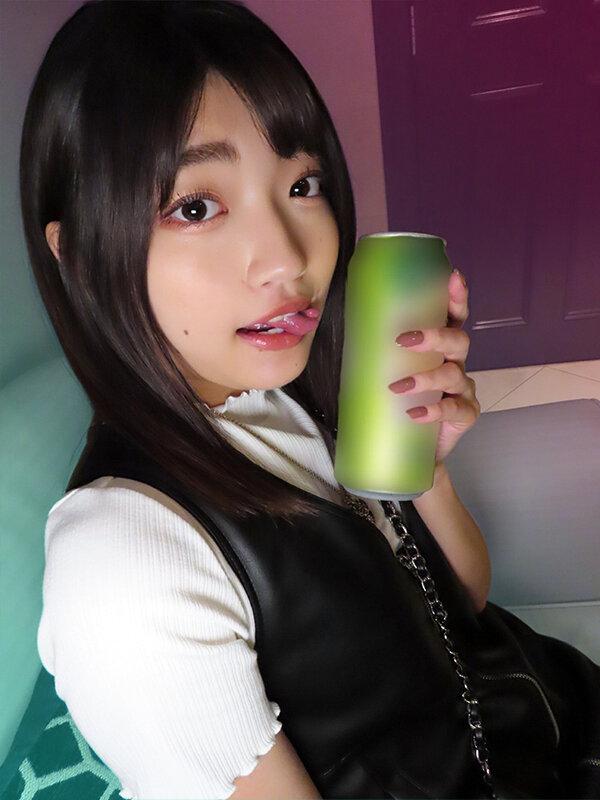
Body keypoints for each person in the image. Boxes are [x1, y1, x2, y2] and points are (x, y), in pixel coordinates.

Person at [21, 2, 599, 799]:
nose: (289, 258)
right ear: (80, 253)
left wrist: (426, 472)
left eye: (302, 184)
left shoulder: (287, 396)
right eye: (196, 206)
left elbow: (460, 606)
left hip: (548, 712)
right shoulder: (124, 564)